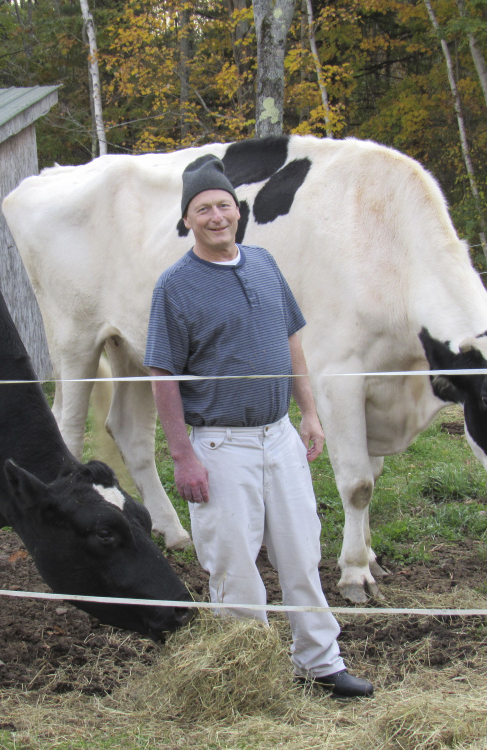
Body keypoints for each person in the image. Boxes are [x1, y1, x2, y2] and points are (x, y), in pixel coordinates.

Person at [144, 154, 374, 698]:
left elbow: (292, 341)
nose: (216, 216)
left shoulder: (266, 264)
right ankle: (248, 675)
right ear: (187, 221)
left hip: (279, 434)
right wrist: (182, 456)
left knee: (302, 553)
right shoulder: (174, 286)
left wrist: (310, 413)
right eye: (203, 209)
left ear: (239, 212)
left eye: (223, 205)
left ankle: (319, 662)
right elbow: (162, 375)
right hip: (221, 444)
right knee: (233, 566)